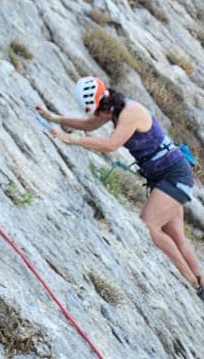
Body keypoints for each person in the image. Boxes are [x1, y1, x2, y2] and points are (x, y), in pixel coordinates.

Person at [37, 75, 202, 297]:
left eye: (96, 111)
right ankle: (200, 279)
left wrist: (72, 140)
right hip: (165, 176)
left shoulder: (130, 112)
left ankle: (194, 284)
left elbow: (111, 145)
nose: (96, 116)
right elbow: (88, 125)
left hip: (174, 174)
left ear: (102, 104)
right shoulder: (113, 110)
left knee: (149, 226)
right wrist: (54, 118)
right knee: (174, 235)